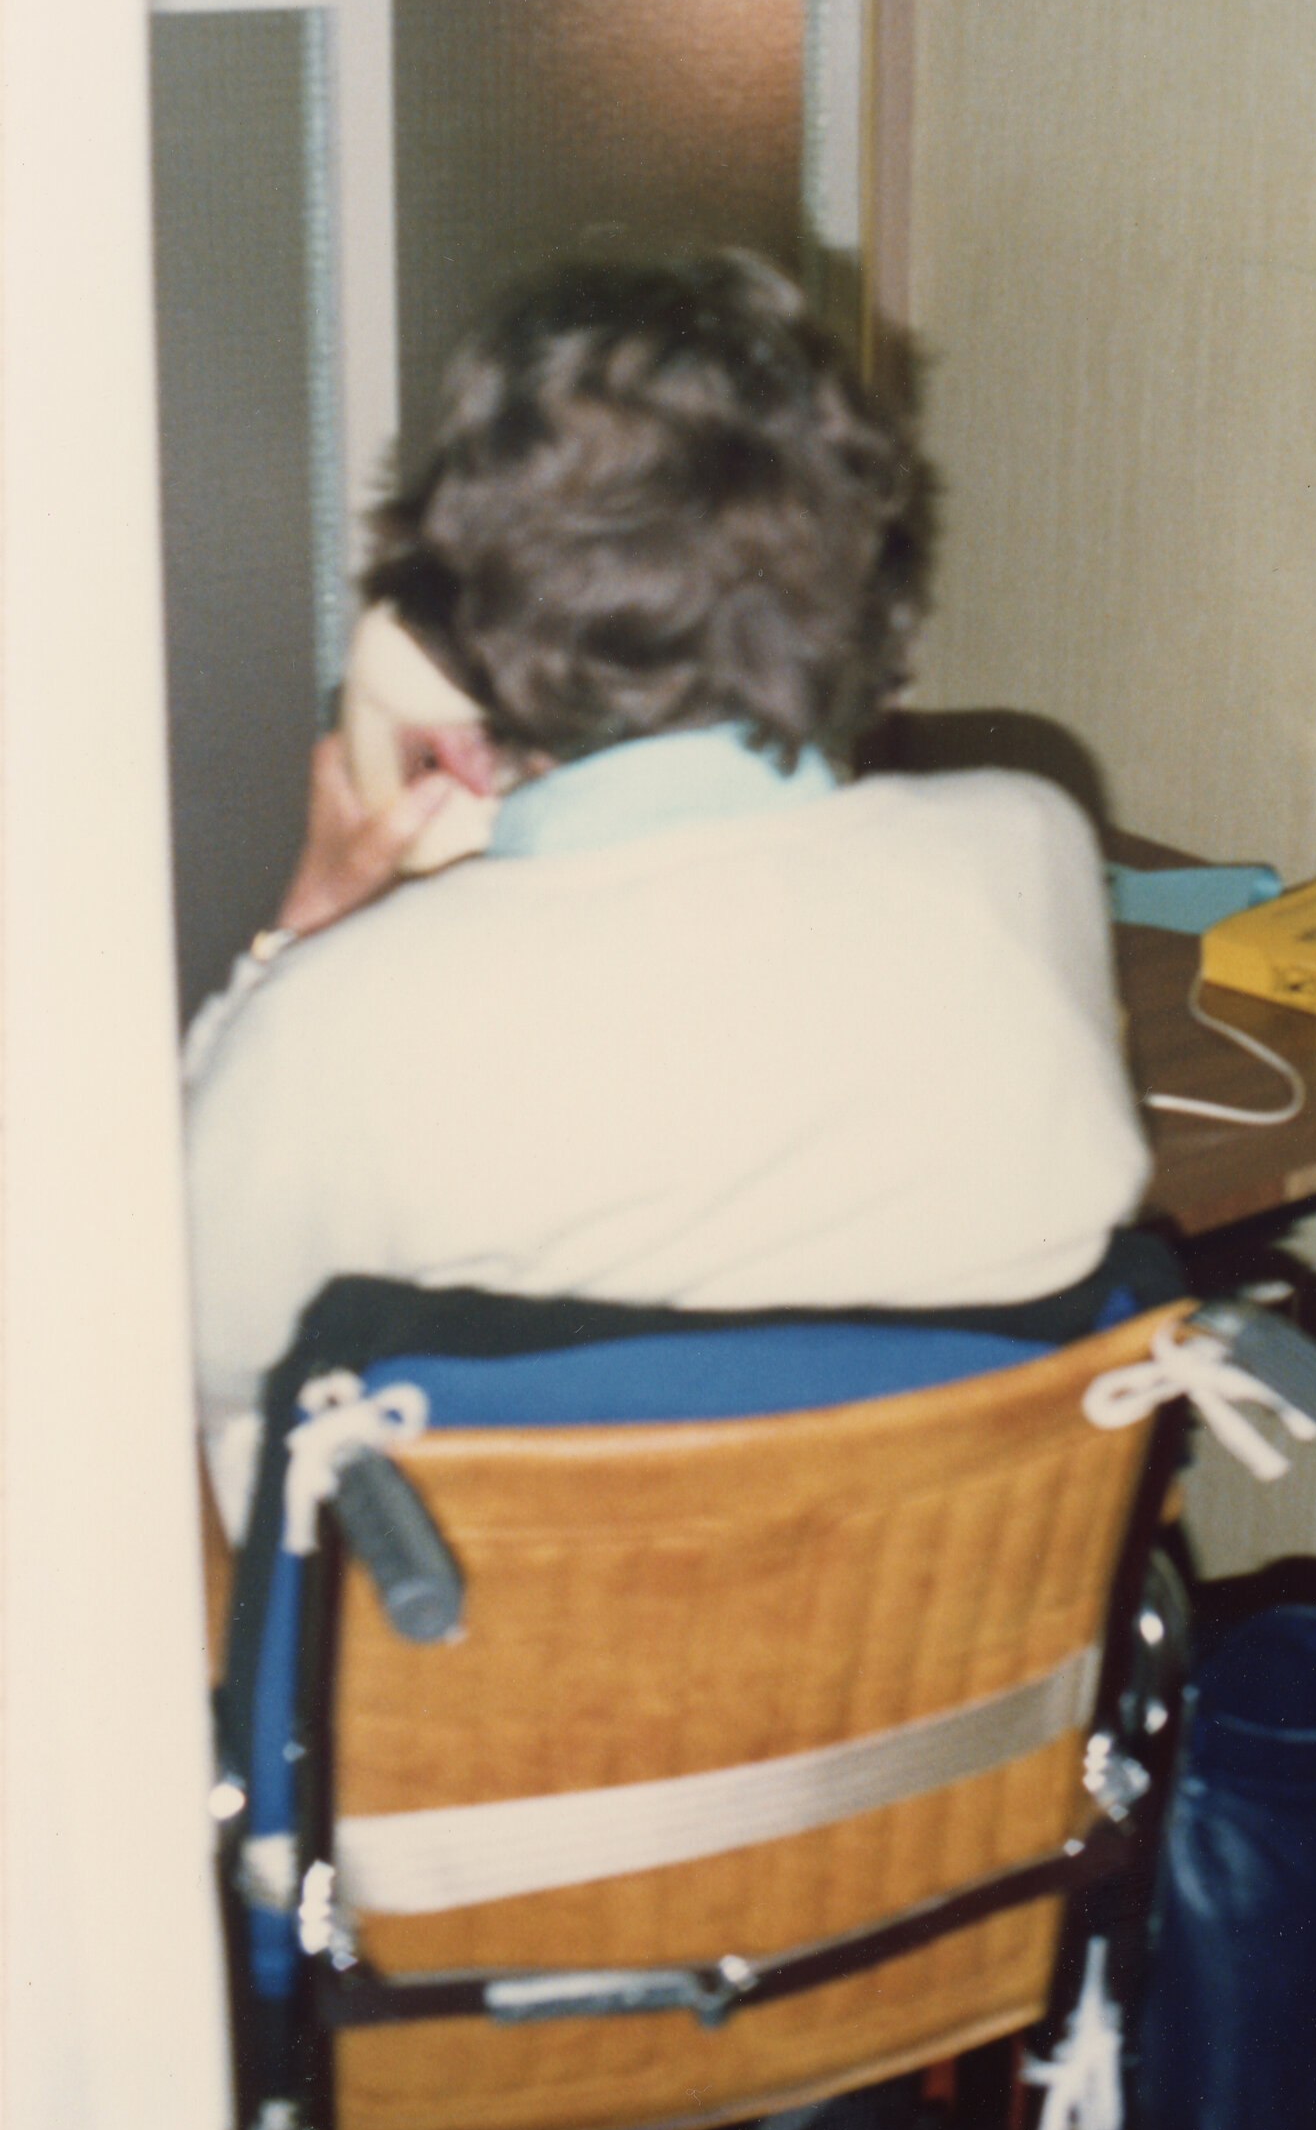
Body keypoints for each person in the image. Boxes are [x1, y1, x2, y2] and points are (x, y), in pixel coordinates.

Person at [185, 253, 1154, 1516]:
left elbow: (183, 1343)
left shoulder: (344, 1017)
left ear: (461, 609)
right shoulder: (1026, 846)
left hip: (482, 1697)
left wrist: (295, 942)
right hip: (951, 1681)